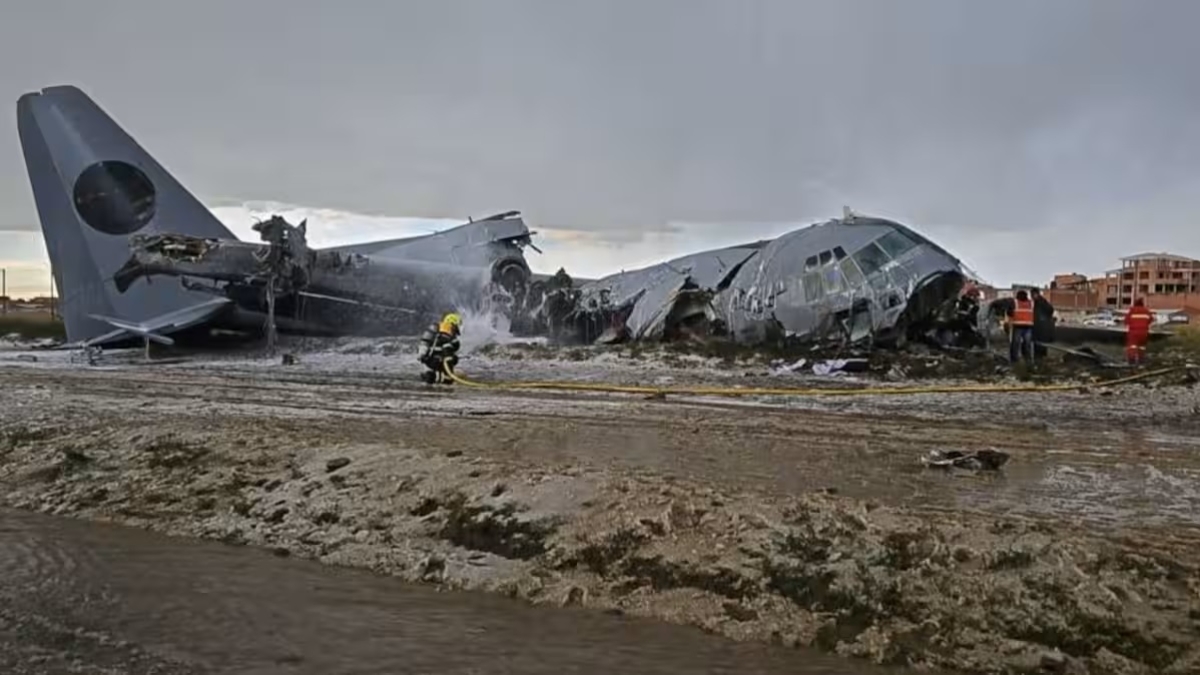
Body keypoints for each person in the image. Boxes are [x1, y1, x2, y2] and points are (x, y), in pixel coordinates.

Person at [418, 312, 462, 384]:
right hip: (435, 360)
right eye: (457, 325)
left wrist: (422, 355)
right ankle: (440, 378)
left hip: (430, 360)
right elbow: (450, 346)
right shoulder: (446, 330)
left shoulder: (436, 328)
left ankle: (431, 376)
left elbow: (424, 342)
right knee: (447, 379)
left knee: (431, 376)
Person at [1006, 289, 1035, 365]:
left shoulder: (1015, 302)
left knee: (1015, 343)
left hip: (1018, 326)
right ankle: (1027, 358)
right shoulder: (1031, 303)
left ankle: (1014, 359)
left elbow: (1009, 313)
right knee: (1027, 344)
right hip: (1028, 326)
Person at [1123, 298, 1154, 365]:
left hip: (1133, 332)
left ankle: (1132, 362)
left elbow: (1126, 321)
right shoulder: (1147, 311)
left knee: (1132, 347)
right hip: (1144, 333)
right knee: (1142, 347)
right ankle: (1141, 361)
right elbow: (1151, 320)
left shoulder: (1132, 311)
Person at [1030, 288, 1056, 359]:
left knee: (1040, 347)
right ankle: (1039, 361)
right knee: (1038, 347)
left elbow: (1050, 310)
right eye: (1031, 295)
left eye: (1033, 295)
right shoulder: (1037, 302)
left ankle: (1040, 361)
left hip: (1041, 329)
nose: (1032, 296)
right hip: (1038, 329)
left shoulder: (1041, 302)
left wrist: (1043, 319)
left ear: (1037, 294)